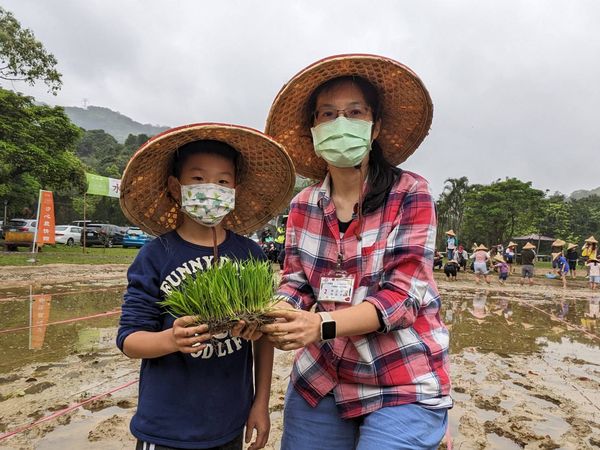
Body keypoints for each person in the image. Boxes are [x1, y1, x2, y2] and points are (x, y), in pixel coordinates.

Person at [262, 54, 451, 450]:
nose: (340, 123)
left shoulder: (410, 193)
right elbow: (295, 282)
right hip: (323, 374)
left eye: (354, 112)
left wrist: (320, 326)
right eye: (327, 114)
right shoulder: (303, 204)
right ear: (314, 128)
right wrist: (276, 313)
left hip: (398, 374)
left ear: (375, 125)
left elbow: (401, 301)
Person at [117, 124, 296, 450]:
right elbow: (130, 340)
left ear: (234, 189)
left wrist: (261, 403)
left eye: (223, 181)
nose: (211, 189)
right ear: (175, 186)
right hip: (167, 427)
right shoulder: (156, 256)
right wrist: (170, 339)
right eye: (198, 179)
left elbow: (264, 339)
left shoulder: (250, 255)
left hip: (229, 423)